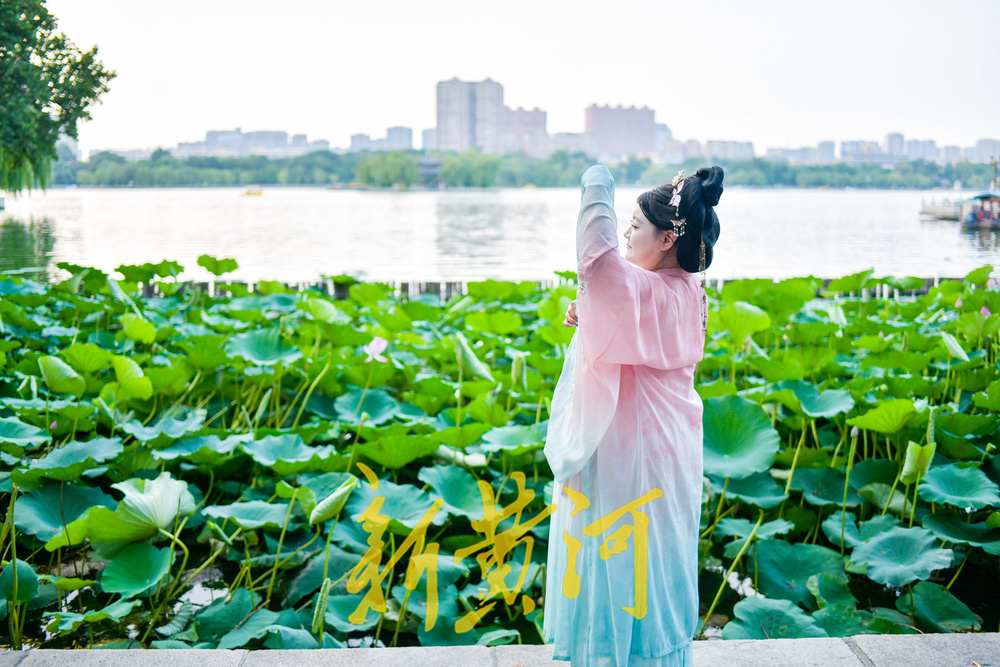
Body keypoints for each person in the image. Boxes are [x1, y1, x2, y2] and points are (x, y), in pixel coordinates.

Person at [542, 164, 723, 667]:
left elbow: (597, 261)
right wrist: (594, 308)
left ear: (668, 238)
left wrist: (597, 181)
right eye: (626, 225)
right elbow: (615, 293)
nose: (625, 233)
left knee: (620, 553)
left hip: (634, 445)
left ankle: (616, 656)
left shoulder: (648, 290)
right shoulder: (687, 288)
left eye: (636, 227)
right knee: (655, 556)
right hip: (668, 446)